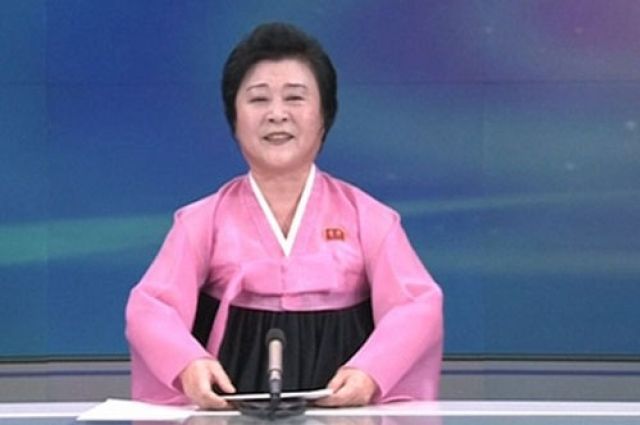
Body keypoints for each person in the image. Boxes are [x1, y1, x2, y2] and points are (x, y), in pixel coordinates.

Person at [125, 22, 443, 409]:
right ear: (234, 118)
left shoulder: (370, 218)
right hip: (230, 410)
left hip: (344, 409)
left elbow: (418, 304)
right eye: (258, 99)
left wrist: (371, 371)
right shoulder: (200, 222)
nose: (277, 114)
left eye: (295, 98)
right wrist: (187, 363)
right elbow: (150, 307)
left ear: (325, 114)